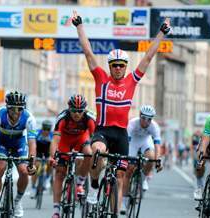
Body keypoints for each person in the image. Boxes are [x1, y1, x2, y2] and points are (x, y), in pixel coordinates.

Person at [72, 10, 171, 214]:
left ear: (125, 67)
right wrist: (79, 26)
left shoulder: (131, 81)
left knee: (119, 177)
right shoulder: (101, 78)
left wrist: (161, 33)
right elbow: (88, 52)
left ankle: (115, 212)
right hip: (103, 130)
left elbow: (149, 56)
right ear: (110, 66)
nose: (118, 68)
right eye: (114, 65)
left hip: (121, 134)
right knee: (97, 152)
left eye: (121, 65)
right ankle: (93, 186)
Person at [0, 91, 37, 218]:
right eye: (12, 109)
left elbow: (32, 143)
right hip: (1, 142)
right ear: (7, 107)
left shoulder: (29, 118)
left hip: (19, 143)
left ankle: (17, 201)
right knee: (0, 167)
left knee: (24, 171)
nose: (16, 112)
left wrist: (32, 163)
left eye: (19, 109)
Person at [49, 94, 95, 218]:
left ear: (84, 110)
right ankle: (56, 210)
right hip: (65, 141)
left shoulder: (89, 118)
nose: (76, 114)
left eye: (80, 111)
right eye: (74, 110)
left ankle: (80, 183)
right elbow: (55, 140)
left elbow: (96, 139)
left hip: (81, 139)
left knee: (89, 153)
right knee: (59, 173)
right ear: (69, 109)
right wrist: (53, 157)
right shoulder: (62, 117)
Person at [122, 105, 162, 214]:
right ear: (140, 116)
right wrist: (126, 157)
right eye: (144, 118)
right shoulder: (132, 123)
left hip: (145, 141)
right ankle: (124, 202)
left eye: (149, 119)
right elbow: (127, 142)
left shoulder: (154, 127)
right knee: (129, 170)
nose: (146, 121)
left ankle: (143, 179)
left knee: (151, 158)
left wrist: (158, 159)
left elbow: (157, 145)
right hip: (133, 142)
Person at [30, 119, 54, 198]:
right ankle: (33, 187)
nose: (46, 131)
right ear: (42, 128)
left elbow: (55, 147)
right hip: (38, 151)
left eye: (48, 129)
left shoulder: (52, 135)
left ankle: (47, 178)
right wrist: (34, 156)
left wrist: (52, 156)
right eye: (44, 129)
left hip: (48, 152)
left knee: (50, 163)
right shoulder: (37, 133)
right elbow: (31, 144)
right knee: (36, 167)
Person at [191, 130, 203, 200]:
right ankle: (198, 185)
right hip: (196, 155)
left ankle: (200, 184)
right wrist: (192, 154)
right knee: (196, 169)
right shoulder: (194, 138)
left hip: (201, 155)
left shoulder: (202, 137)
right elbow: (192, 146)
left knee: (200, 170)